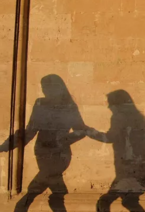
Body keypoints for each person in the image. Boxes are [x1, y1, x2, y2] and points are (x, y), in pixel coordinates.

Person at [0, 75, 86, 212]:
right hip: (42, 153)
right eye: (44, 87)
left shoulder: (69, 106)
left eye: (48, 86)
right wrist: (7, 146)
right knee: (55, 192)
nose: (46, 90)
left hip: (59, 155)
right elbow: (30, 131)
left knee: (34, 190)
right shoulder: (40, 103)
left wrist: (62, 140)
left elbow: (81, 130)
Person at [86, 90, 145, 212]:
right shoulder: (138, 118)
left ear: (116, 103)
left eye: (110, 103)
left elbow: (110, 137)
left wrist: (89, 131)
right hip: (139, 167)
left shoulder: (119, 116)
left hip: (128, 169)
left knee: (105, 202)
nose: (108, 107)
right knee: (129, 201)